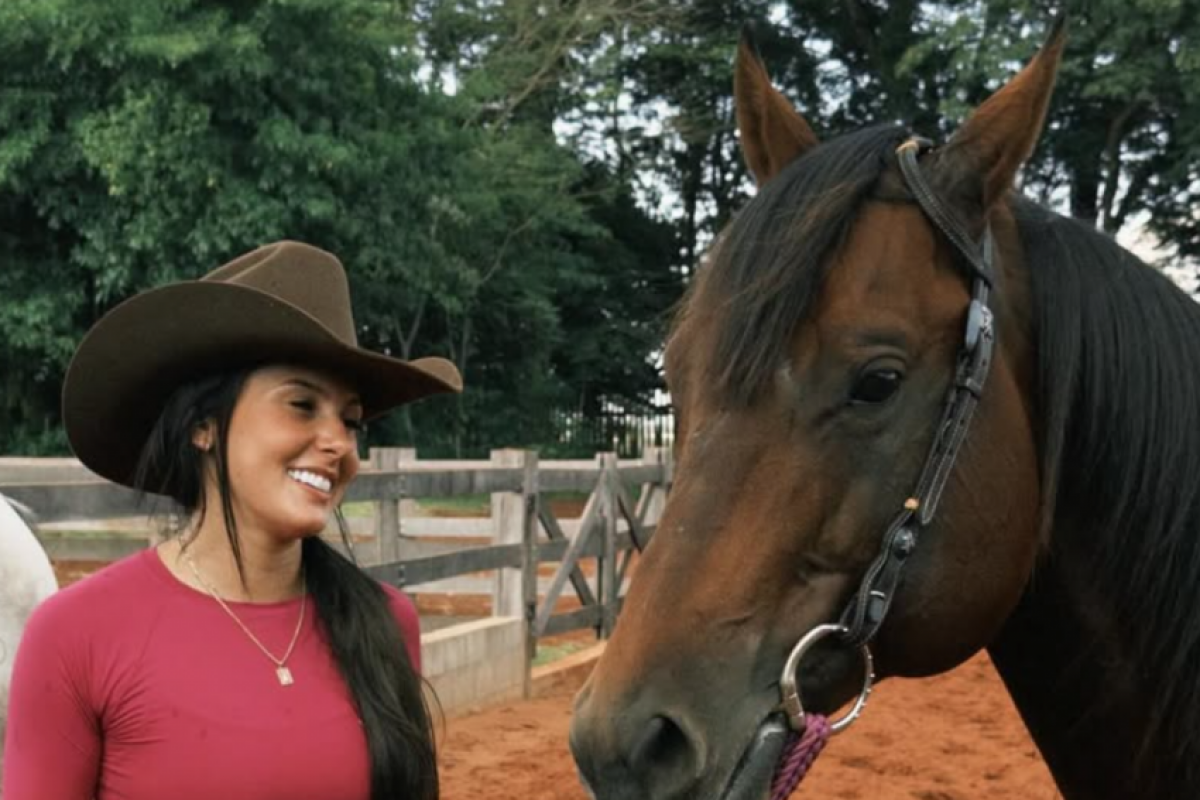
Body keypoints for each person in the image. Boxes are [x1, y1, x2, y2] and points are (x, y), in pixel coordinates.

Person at [1, 241, 462, 800]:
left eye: (351, 421)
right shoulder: (76, 636)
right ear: (204, 426)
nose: (337, 443)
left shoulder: (384, 624)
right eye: (302, 405)